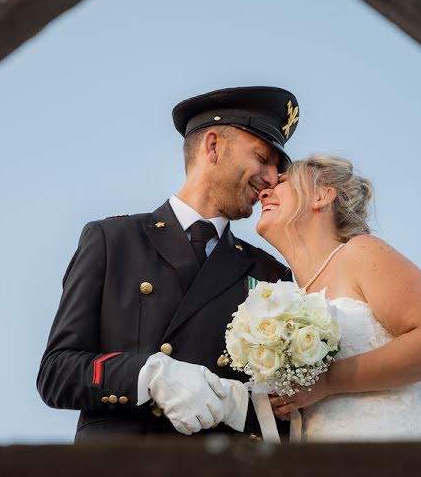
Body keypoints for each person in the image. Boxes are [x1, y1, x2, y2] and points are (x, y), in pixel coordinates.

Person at [37, 86, 301, 441]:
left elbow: (286, 414)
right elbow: (56, 373)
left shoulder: (270, 275)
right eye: (262, 158)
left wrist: (237, 404)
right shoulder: (112, 239)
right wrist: (148, 374)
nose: (272, 178)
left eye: (277, 168)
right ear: (213, 146)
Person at [258, 155, 421, 441]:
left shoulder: (361, 253)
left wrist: (327, 381)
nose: (264, 192)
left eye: (283, 182)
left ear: (322, 196)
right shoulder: (288, 299)